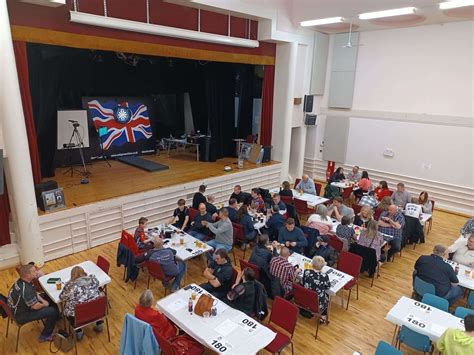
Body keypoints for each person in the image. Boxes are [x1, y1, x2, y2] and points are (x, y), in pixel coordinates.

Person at [7, 264, 59, 342]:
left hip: (20, 307)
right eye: (34, 271)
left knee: (48, 297)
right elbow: (35, 306)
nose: (37, 272)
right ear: (28, 275)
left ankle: (54, 317)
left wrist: (43, 300)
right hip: (22, 315)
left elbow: (34, 292)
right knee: (53, 311)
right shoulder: (26, 290)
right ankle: (45, 335)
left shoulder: (24, 281)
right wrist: (44, 304)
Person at [59, 266, 103, 340]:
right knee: (96, 299)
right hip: (96, 311)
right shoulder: (93, 279)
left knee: (68, 309)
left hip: (79, 315)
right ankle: (99, 323)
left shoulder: (70, 286)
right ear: (84, 273)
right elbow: (98, 286)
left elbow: (62, 297)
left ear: (72, 276)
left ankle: (78, 331)